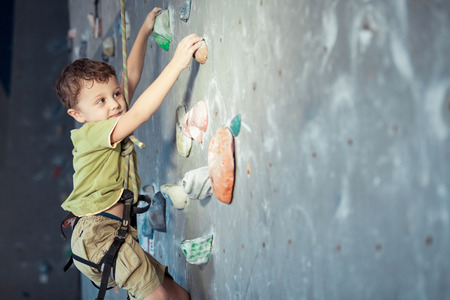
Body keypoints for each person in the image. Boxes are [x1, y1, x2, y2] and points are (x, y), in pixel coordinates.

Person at [56, 7, 201, 300]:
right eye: (100, 100)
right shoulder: (93, 134)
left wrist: (145, 30)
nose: (114, 103)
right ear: (78, 114)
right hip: (97, 235)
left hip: (115, 232)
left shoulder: (109, 117)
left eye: (116, 94)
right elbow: (141, 113)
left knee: (177, 296)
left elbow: (131, 74)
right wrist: (177, 63)